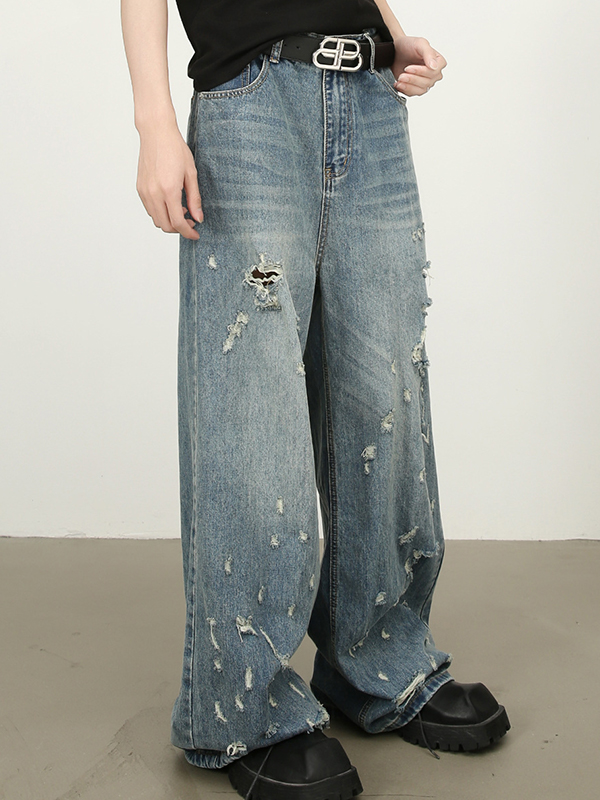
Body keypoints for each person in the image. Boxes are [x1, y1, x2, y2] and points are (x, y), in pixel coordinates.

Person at [121, 2, 510, 798]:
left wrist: (392, 33)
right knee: (253, 406)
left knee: (384, 389)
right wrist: (154, 123)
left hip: (368, 94)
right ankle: (245, 709)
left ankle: (384, 665)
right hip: (251, 101)